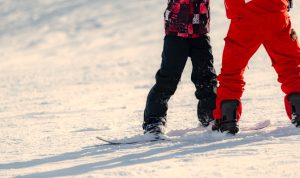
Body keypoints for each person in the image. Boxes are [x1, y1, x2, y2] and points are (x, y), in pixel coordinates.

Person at [212, 0, 300, 135]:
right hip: (275, 11)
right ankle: (298, 109)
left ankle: (227, 119)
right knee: (290, 65)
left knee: (232, 70)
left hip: (245, 14)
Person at [143, 0, 217, 135]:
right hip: (176, 33)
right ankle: (154, 120)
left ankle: (209, 114)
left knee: (206, 77)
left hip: (200, 31)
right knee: (168, 78)